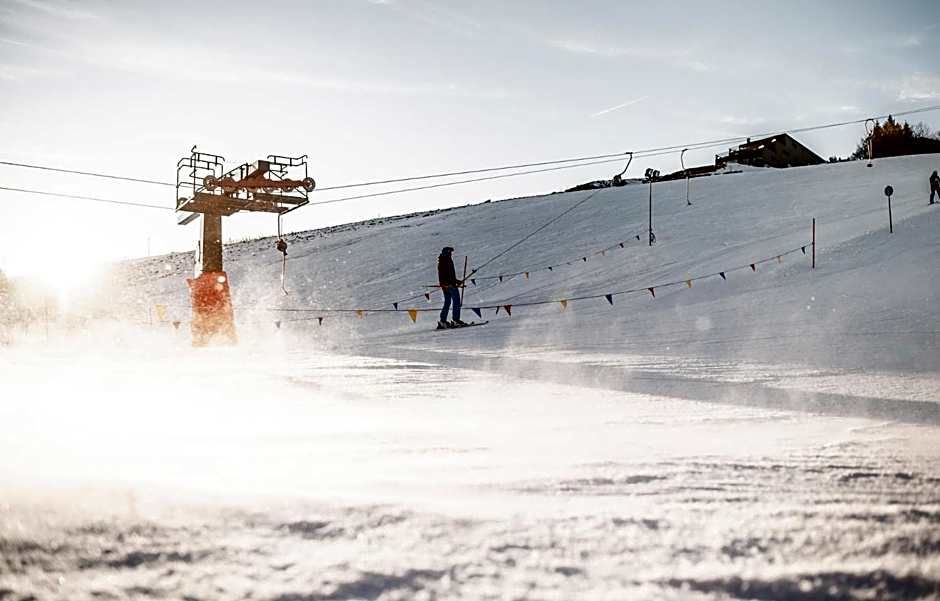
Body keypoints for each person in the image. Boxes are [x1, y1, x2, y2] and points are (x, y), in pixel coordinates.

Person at [437, 246, 466, 328]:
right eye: (450, 252)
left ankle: (443, 321)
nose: (451, 254)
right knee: (456, 301)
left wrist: (457, 281)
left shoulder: (443, 260)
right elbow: (446, 275)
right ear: (447, 252)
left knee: (447, 302)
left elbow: (449, 276)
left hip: (446, 285)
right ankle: (456, 320)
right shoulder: (445, 261)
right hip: (449, 285)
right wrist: (452, 283)